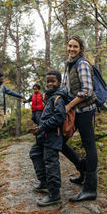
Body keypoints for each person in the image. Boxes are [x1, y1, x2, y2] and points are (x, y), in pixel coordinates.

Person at [62, 34, 98, 202]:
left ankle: (90, 189)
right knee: (60, 141)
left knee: (89, 145)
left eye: (75, 46)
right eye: (70, 46)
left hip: (84, 110)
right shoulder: (68, 64)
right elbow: (66, 89)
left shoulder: (82, 64)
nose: (72, 49)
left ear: (81, 49)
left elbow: (87, 91)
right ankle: (82, 172)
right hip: (75, 110)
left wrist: (69, 105)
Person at [29, 70, 68, 206]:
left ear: (59, 82)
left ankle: (54, 194)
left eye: (53, 81)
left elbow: (59, 117)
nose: (50, 84)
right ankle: (44, 182)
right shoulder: (50, 97)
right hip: (43, 136)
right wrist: (38, 127)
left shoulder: (59, 98)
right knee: (35, 153)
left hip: (52, 137)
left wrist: (41, 126)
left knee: (51, 162)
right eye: (48, 81)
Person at [0, 73, 24, 145]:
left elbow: (10, 92)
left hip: (1, 108)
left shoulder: (3, 87)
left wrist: (20, 96)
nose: (3, 80)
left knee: (1, 122)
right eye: (2, 79)